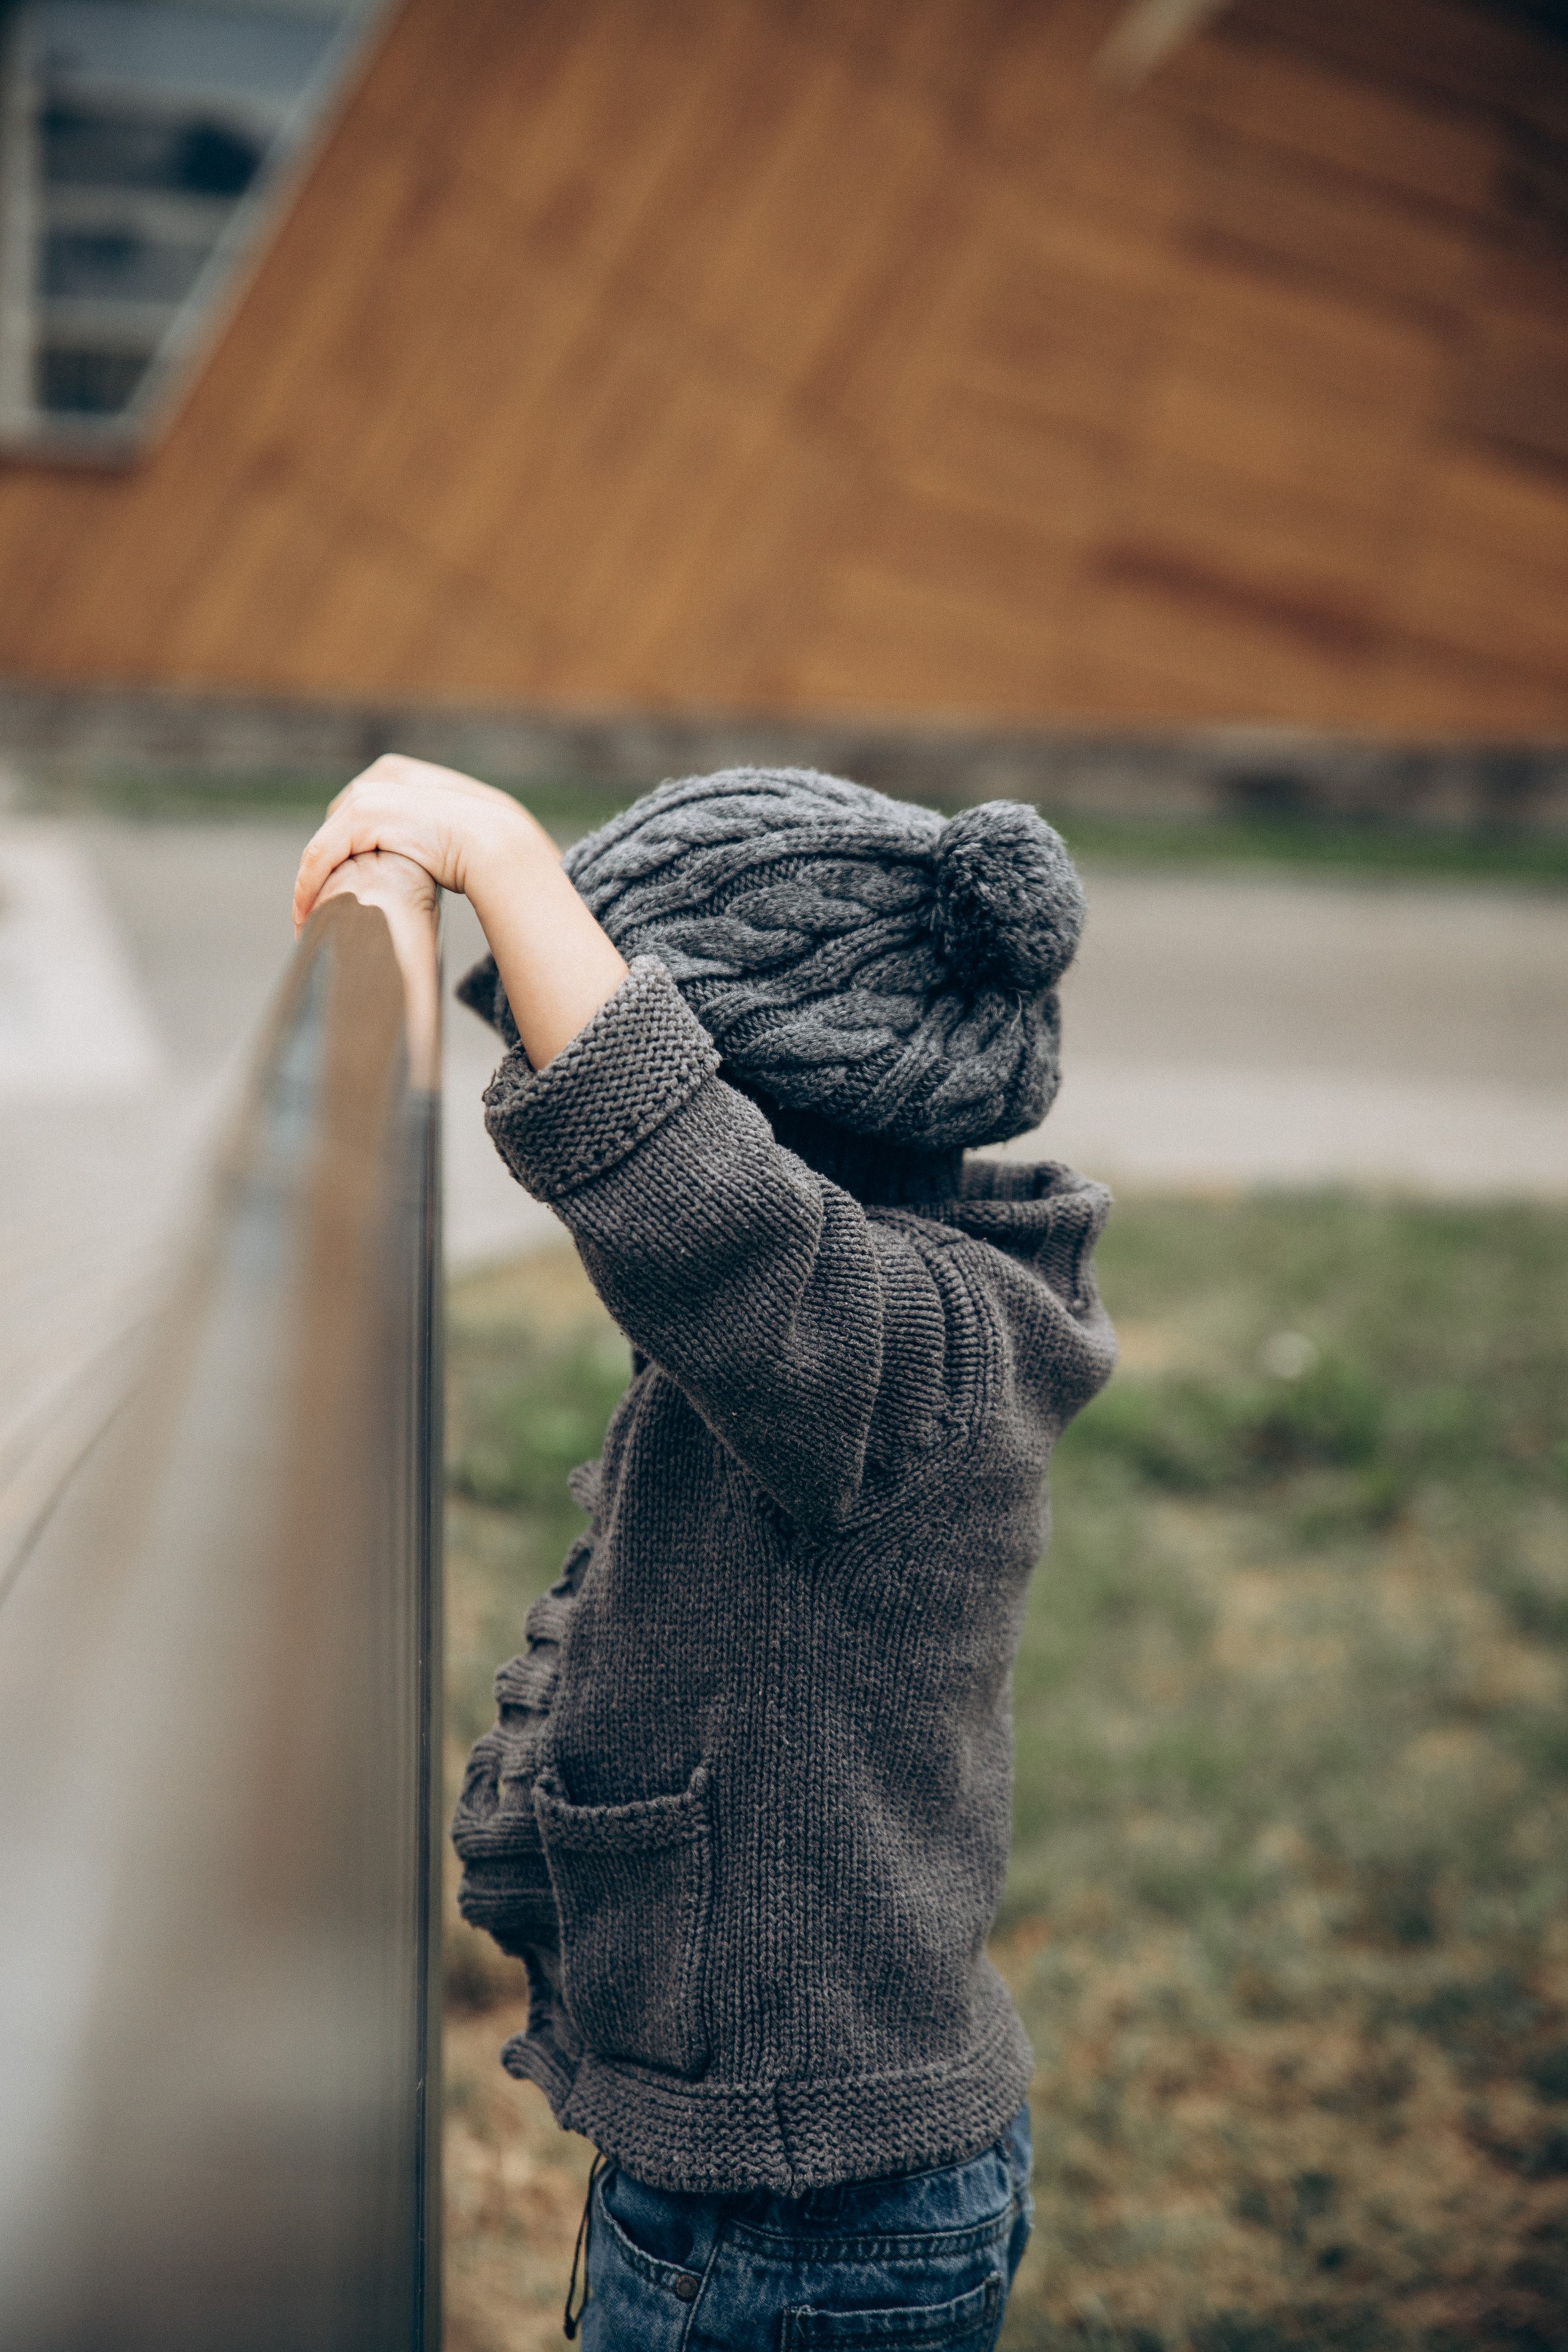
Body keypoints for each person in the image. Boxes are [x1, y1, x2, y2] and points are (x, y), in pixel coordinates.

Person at [294, 754, 1117, 2350]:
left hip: (812, 2223)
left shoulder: (906, 1348)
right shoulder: (860, 1326)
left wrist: (502, 859)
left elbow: (689, 1197)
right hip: (768, 2183)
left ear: (762, 1094)